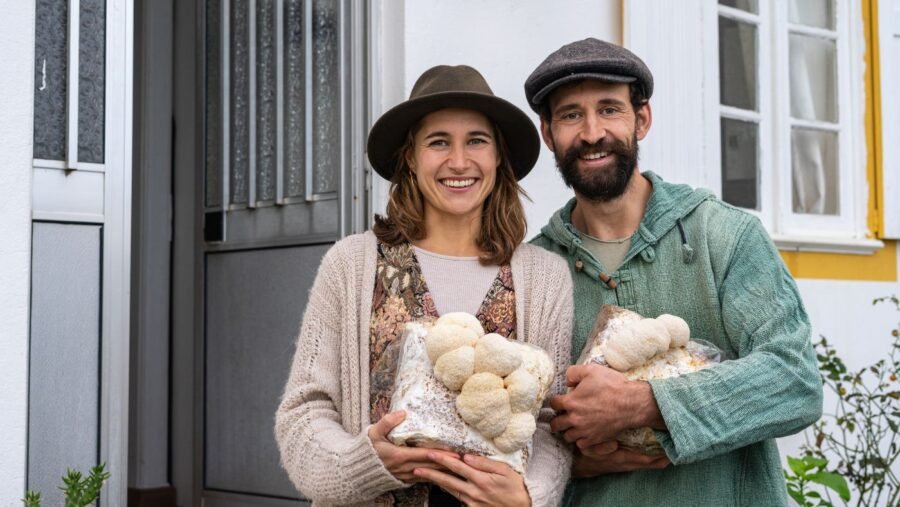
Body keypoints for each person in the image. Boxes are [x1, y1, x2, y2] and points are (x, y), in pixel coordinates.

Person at [522, 38, 823, 506]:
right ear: (548, 132)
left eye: (609, 109)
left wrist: (641, 404)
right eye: (570, 115)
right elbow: (515, 432)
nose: (591, 132)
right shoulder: (534, 271)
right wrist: (575, 460)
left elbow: (794, 381)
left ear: (642, 119)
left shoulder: (723, 235)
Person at [275, 64, 573, 507]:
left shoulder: (544, 277)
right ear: (411, 158)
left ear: (498, 157)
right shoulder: (352, 264)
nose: (459, 161)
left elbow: (551, 420)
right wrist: (364, 461)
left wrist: (530, 496)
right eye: (438, 142)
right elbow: (304, 411)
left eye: (476, 140)